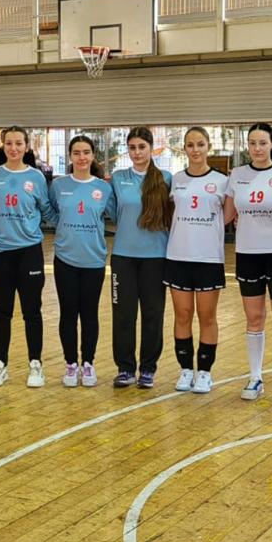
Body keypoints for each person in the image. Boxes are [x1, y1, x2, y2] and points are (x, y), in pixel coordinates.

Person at [225, 123, 272, 402]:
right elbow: (224, 216)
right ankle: (255, 378)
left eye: (262, 143)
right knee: (254, 319)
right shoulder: (237, 175)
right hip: (247, 254)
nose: (257, 148)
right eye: (252, 143)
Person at [0, 126, 55, 388]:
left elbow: (46, 209)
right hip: (0, 252)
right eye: (9, 143)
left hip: (29, 252)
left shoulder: (36, 177)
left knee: (31, 310)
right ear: (2, 146)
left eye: (18, 143)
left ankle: (36, 364)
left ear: (26, 146)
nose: (13, 148)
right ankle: (0, 364)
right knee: (2, 311)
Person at [165, 127, 232, 394]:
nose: (195, 150)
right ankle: (185, 370)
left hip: (208, 258)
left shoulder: (222, 181)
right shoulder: (176, 180)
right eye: (190, 145)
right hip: (178, 256)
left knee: (207, 316)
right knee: (182, 314)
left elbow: (226, 217)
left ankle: (204, 372)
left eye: (200, 144)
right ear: (184, 148)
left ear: (208, 147)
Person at [107, 127, 172, 389]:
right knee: (123, 314)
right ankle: (125, 368)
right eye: (132, 147)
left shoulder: (165, 178)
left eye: (141, 147)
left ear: (151, 148)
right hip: (123, 257)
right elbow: (112, 212)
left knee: (153, 313)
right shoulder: (118, 178)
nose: (136, 153)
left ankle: (147, 369)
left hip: (156, 257)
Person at [49, 135, 113, 388]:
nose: (82, 157)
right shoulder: (59, 185)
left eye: (86, 152)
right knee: (68, 312)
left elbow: (113, 213)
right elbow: (52, 211)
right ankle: (70, 363)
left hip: (94, 259)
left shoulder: (104, 188)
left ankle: (88, 363)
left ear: (93, 155)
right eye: (76, 152)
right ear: (70, 156)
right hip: (65, 258)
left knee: (89, 314)